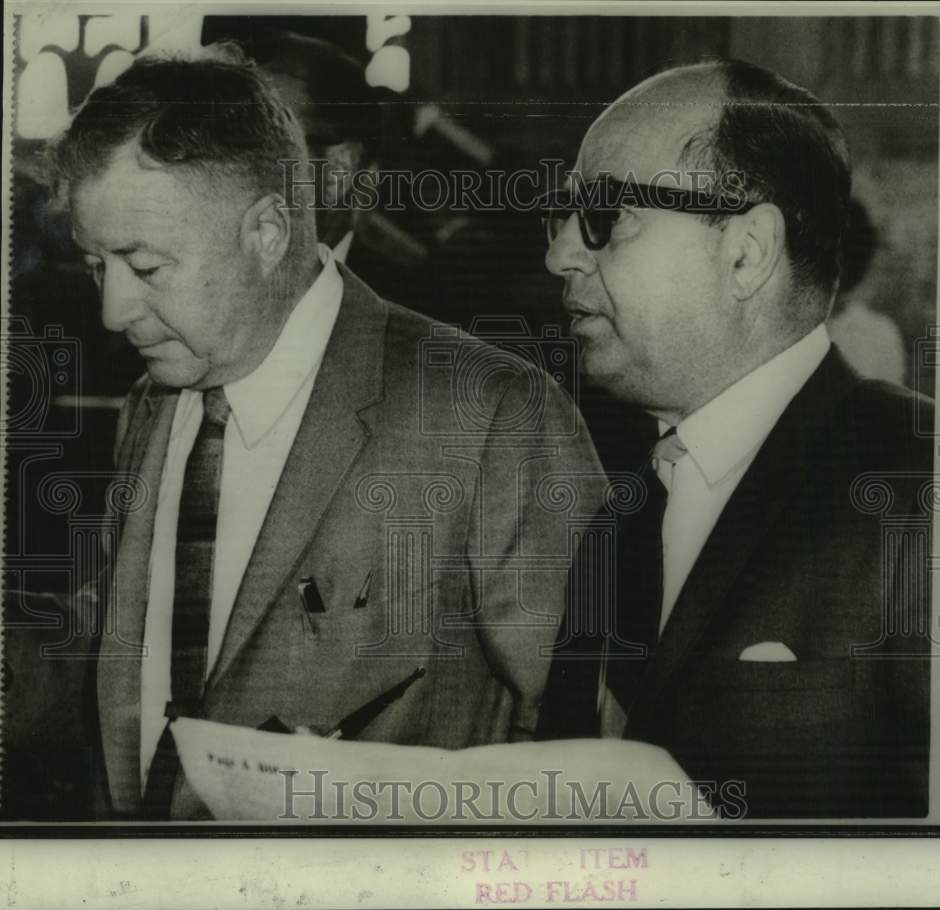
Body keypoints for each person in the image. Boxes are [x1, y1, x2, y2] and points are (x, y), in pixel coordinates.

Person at [48, 45, 604, 820]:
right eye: (92, 266)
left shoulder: (491, 416)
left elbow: (595, 744)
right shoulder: (154, 404)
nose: (113, 312)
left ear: (270, 231)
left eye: (145, 268)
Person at [537, 59, 933, 819]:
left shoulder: (926, 491)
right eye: (560, 219)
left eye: (604, 218)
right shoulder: (619, 516)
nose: (560, 255)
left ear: (746, 251)